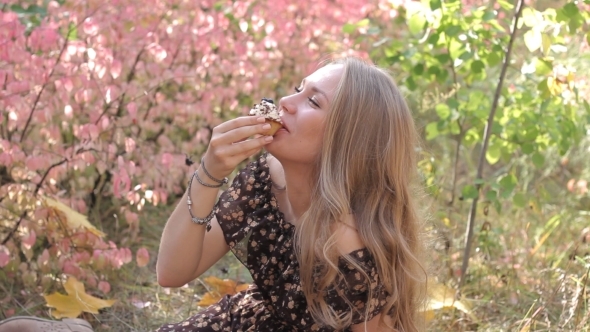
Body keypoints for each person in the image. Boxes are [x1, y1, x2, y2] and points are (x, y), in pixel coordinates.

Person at [156, 56, 427, 332]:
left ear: (347, 141)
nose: (284, 101)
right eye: (299, 89)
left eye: (313, 101)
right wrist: (208, 172)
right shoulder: (265, 182)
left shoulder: (350, 243)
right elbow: (172, 272)